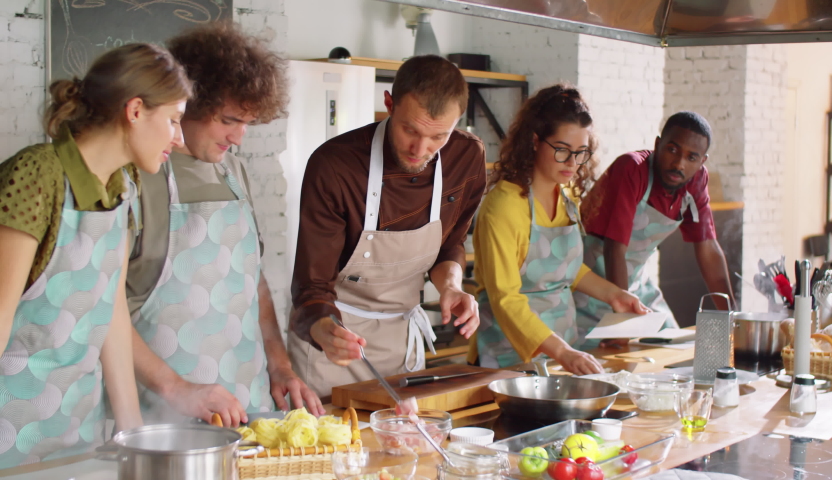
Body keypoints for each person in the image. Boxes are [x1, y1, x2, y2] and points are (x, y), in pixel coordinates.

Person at [0, 43, 191, 467]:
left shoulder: (126, 185)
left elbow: (110, 313)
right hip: (9, 440)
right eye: (174, 120)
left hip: (78, 440)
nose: (180, 139)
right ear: (136, 110)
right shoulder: (37, 175)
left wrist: (135, 440)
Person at [125, 22, 322, 428]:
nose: (239, 137)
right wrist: (175, 388)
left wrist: (280, 364)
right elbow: (102, 312)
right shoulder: (137, 176)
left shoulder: (234, 171)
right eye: (229, 120)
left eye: (248, 123)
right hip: (160, 415)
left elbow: (254, 280)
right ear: (190, 103)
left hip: (243, 404)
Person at [289, 55, 485, 399]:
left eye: (439, 136)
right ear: (389, 104)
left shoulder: (466, 157)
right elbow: (312, 284)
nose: (420, 149)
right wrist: (323, 329)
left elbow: (449, 244)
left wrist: (451, 288)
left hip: (403, 342)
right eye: (410, 129)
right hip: (337, 342)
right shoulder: (336, 165)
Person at [469, 85, 650, 375]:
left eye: (581, 152)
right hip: (506, 356)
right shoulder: (502, 207)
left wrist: (613, 295)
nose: (572, 163)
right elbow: (505, 298)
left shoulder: (566, 196)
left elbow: (568, 268)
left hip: (561, 352)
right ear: (535, 141)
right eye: (562, 150)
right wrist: (561, 351)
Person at [574, 111, 736, 334]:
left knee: (670, 340)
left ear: (701, 162)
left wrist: (732, 318)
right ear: (658, 144)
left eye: (691, 157)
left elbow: (707, 247)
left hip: (635, 283)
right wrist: (623, 323)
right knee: (599, 359)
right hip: (590, 283)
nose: (679, 164)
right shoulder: (631, 168)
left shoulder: (696, 181)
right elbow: (614, 249)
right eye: (672, 150)